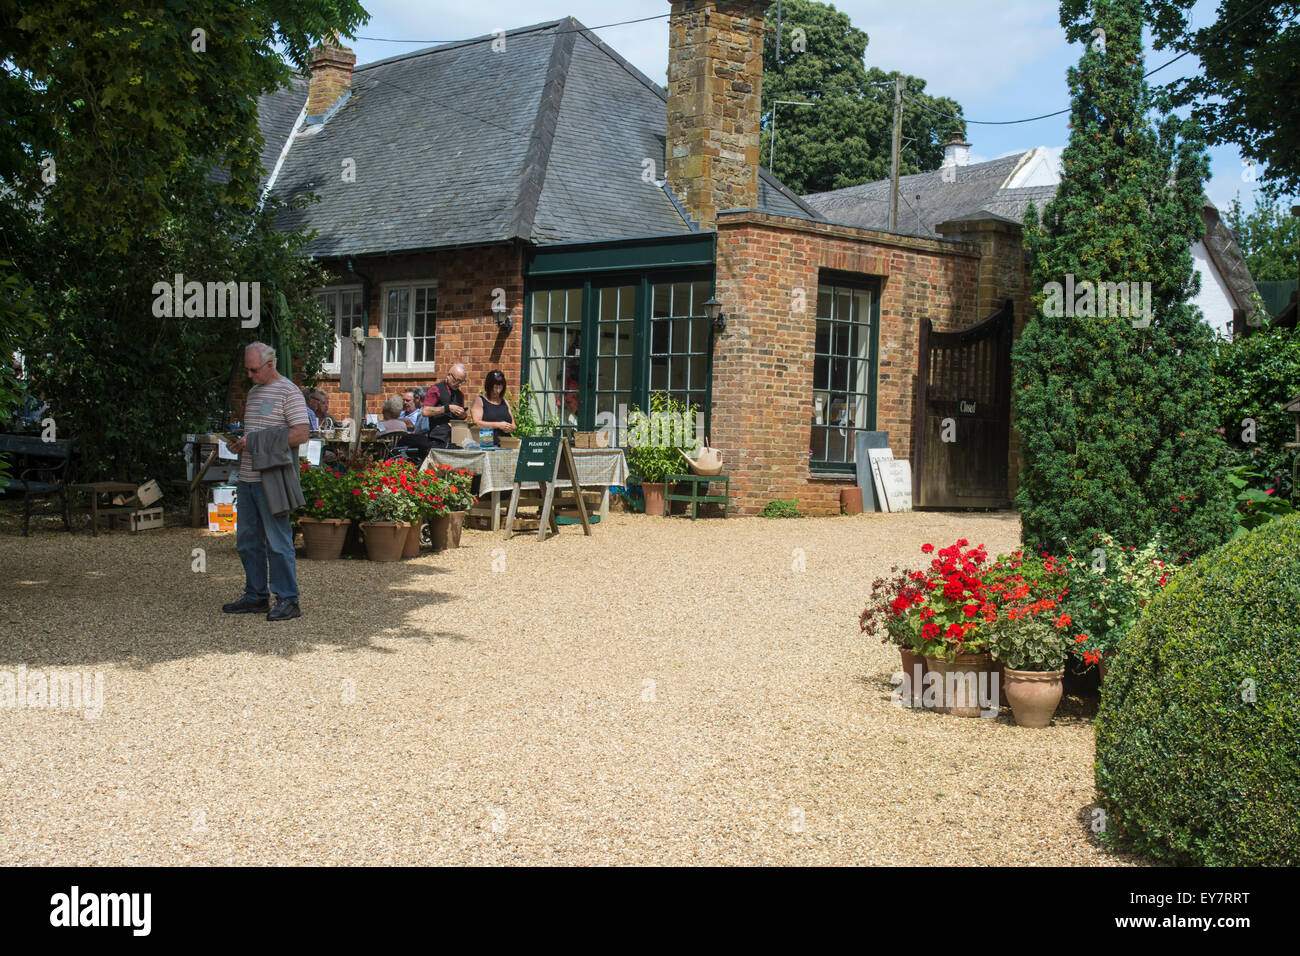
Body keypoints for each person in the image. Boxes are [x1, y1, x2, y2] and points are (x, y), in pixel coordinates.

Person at [223, 342, 309, 622]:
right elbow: (255, 436)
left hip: (272, 479)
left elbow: (300, 434)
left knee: (278, 540)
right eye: (247, 370)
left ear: (270, 365)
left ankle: (288, 599)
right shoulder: (254, 391)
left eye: (253, 370)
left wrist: (256, 441)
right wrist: (241, 444)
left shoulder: (289, 392)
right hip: (247, 478)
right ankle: (256, 595)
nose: (249, 375)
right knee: (247, 541)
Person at [421, 363, 468, 448]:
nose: (459, 384)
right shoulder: (435, 390)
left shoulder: (460, 395)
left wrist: (462, 414)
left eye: (462, 381)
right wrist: (447, 408)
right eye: (457, 380)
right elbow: (425, 411)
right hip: (437, 439)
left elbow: (462, 417)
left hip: (455, 438)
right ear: (449, 375)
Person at [471, 370, 515, 446]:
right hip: (487, 442)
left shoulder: (504, 402)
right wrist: (498, 425)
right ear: (489, 386)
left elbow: (513, 424)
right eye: (495, 387)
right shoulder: (480, 400)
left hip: (505, 444)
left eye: (500, 387)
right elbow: (477, 422)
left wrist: (510, 428)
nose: (498, 391)